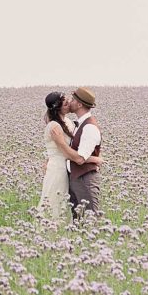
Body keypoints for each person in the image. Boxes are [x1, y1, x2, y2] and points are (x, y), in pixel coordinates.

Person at [40, 92, 102, 223]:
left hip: (68, 170)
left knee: (70, 208)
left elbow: (76, 151)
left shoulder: (68, 122)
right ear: (58, 107)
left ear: (79, 104)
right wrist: (94, 159)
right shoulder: (54, 126)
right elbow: (65, 152)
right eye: (66, 102)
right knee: (55, 204)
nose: (69, 103)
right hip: (58, 170)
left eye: (71, 100)